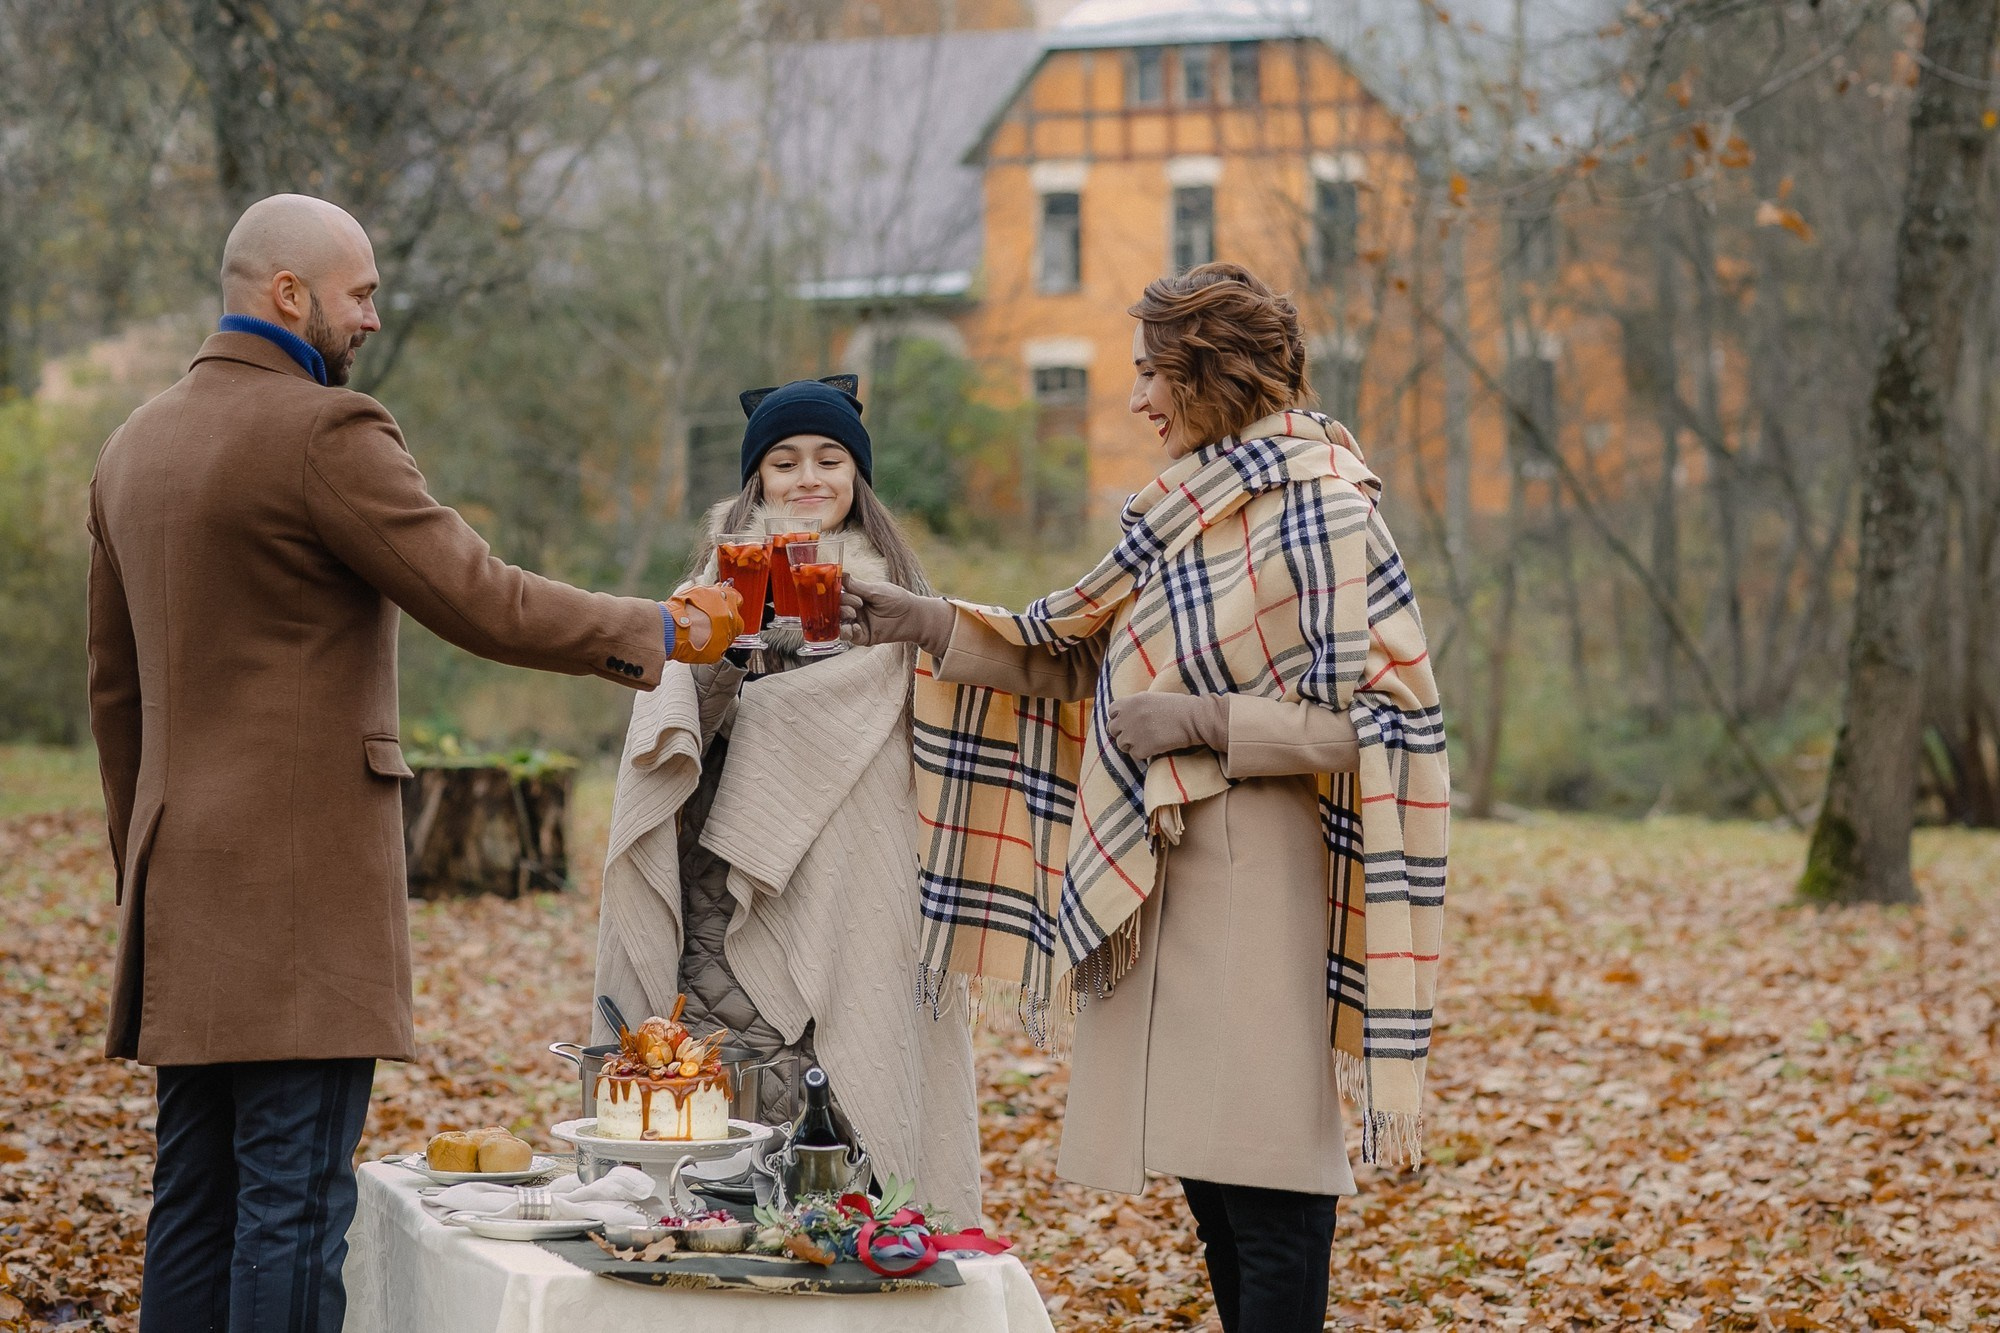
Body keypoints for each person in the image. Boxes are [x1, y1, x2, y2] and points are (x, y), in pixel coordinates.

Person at [85, 193, 744, 1333]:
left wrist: (145, 860)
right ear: (288, 295)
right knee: (291, 1202)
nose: (372, 318)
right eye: (361, 293)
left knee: (194, 1197)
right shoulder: (321, 432)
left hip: (180, 885)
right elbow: (479, 596)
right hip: (299, 892)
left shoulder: (133, 444)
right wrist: (663, 625)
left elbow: (114, 694)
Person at [843, 263, 1449, 1333]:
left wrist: (1200, 721)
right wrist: (921, 622)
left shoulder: (1324, 511)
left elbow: (1386, 722)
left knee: (1270, 1187)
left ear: (1210, 373)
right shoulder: (1183, 512)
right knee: (1211, 1183)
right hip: (1165, 889)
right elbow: (1075, 651)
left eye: (1150, 374)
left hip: (1262, 889)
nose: (1135, 400)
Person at [591, 377, 982, 1227]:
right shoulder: (711, 586)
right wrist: (725, 659)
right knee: (736, 1119)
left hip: (859, 899)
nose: (809, 476)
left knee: (848, 1133)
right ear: (756, 477)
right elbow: (667, 738)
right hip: (724, 887)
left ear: (857, 475)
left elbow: (935, 749)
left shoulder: (896, 598)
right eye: (785, 460)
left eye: (830, 459)